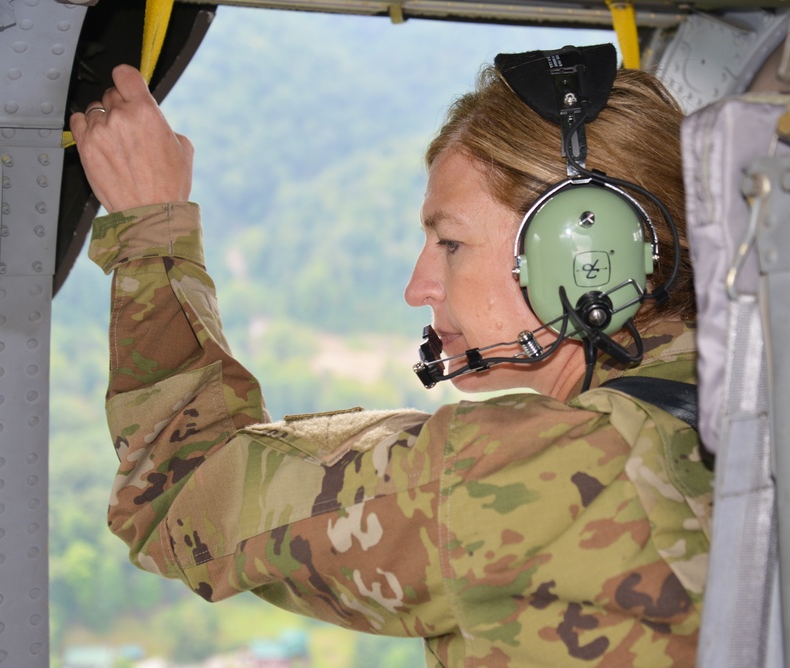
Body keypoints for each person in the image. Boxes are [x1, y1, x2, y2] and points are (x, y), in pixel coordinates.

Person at [70, 46, 711, 667]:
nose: (418, 288)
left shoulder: (541, 471)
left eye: (451, 243)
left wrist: (152, 225)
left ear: (583, 256)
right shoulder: (754, 406)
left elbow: (180, 485)